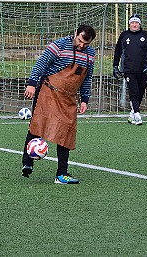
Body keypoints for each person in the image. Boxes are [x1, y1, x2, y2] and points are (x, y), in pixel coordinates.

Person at [21, 24, 97, 184]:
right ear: (75, 33)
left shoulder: (90, 54)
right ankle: (27, 162)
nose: (82, 45)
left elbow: (87, 77)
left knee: (66, 133)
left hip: (69, 98)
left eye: (86, 43)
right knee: (37, 125)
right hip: (48, 91)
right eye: (80, 41)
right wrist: (32, 84)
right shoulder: (58, 46)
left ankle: (61, 174)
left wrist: (85, 99)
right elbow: (41, 64)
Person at [113, 14, 147, 125]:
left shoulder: (145, 35)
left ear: (139, 24)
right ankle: (137, 115)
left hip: (143, 69)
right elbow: (117, 51)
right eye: (132, 22)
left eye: (136, 23)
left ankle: (132, 114)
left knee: (140, 92)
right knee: (133, 92)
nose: (134, 24)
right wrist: (115, 66)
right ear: (129, 24)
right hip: (128, 69)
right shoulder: (124, 35)